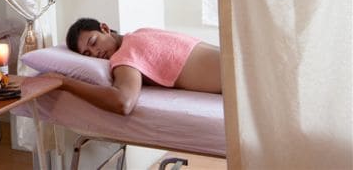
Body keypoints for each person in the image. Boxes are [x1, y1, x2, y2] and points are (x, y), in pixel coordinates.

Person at [42, 18, 222, 115]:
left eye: (94, 42)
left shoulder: (125, 54)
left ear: (105, 28)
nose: (96, 53)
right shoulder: (141, 32)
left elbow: (123, 102)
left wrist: (64, 82)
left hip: (233, 75)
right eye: (88, 54)